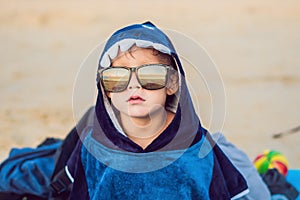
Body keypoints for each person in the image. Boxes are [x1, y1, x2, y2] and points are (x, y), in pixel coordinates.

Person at [65, 21, 250, 199]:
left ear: (172, 83)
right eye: (117, 77)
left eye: (150, 75)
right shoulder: (95, 144)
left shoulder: (196, 144)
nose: (133, 85)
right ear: (106, 91)